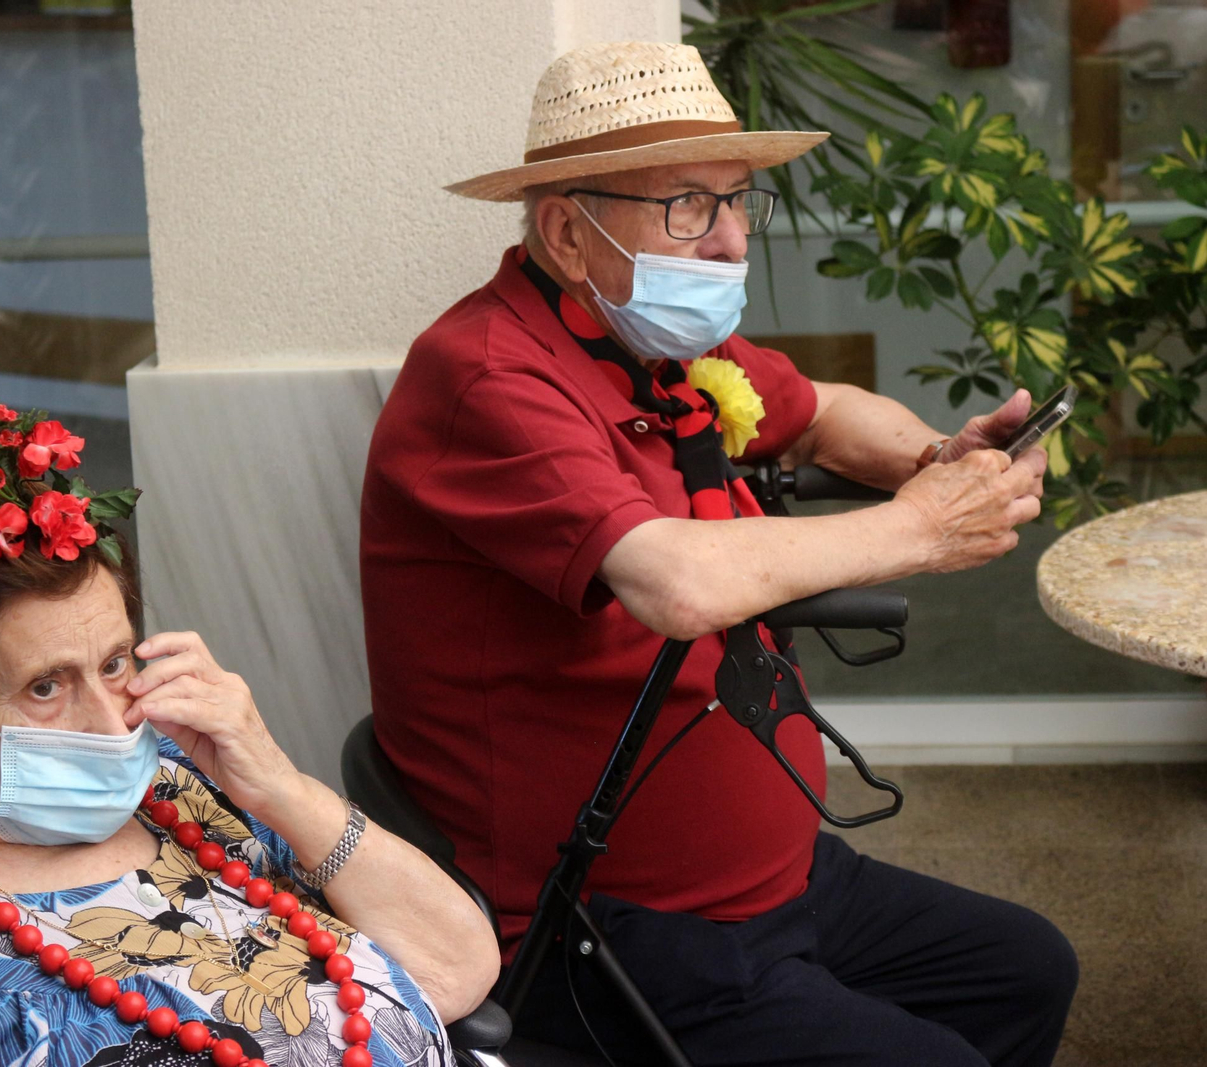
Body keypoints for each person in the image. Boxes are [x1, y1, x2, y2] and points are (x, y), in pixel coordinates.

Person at [360, 41, 1076, 1067]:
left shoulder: (658, 344)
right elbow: (676, 579)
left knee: (1026, 968)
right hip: (609, 926)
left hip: (772, 882)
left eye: (739, 202)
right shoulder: (483, 378)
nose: (731, 242)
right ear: (567, 230)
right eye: (690, 205)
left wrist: (933, 456)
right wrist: (919, 526)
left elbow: (823, 411)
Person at [0, 405, 500, 1067]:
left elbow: (458, 965)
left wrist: (279, 785)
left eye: (116, 661)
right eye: (46, 685)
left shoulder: (178, 791)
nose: (111, 719)